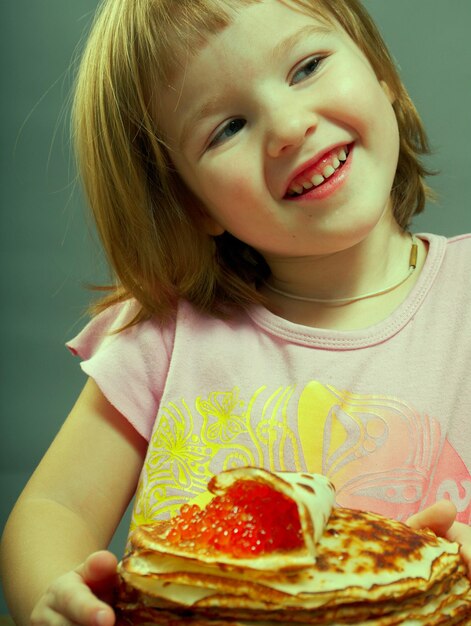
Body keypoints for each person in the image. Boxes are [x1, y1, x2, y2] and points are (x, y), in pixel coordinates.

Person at [1, 0, 470, 624]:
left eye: (306, 67)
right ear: (195, 205)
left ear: (381, 73)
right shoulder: (163, 337)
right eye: (226, 127)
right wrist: (52, 595)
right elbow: (53, 508)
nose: (287, 127)